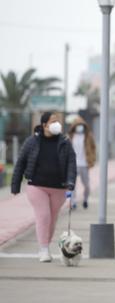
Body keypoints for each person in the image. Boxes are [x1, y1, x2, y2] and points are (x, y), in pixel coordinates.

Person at [11, 112, 77, 263]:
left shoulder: (65, 142)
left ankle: (45, 245)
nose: (57, 124)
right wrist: (15, 185)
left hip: (58, 187)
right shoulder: (32, 142)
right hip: (37, 186)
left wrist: (71, 182)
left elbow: (71, 164)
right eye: (53, 121)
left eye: (57, 121)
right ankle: (44, 250)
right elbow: (21, 162)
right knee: (43, 216)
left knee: (52, 220)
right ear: (44, 125)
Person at [68, 117, 96, 209]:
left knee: (87, 185)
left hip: (84, 164)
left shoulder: (88, 136)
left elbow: (93, 148)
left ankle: (85, 199)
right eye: (77, 125)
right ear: (74, 126)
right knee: (71, 185)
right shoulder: (70, 136)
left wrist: (92, 159)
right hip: (73, 165)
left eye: (81, 125)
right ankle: (73, 202)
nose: (79, 127)